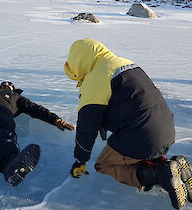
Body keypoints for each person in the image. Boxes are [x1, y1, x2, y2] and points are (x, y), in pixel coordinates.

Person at [64, 38, 191, 210]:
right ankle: (170, 167)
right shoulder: (125, 64)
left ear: (78, 61)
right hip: (166, 130)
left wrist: (80, 159)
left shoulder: (96, 78)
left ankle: (157, 174)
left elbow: (87, 127)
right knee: (133, 140)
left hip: (142, 136)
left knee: (104, 164)